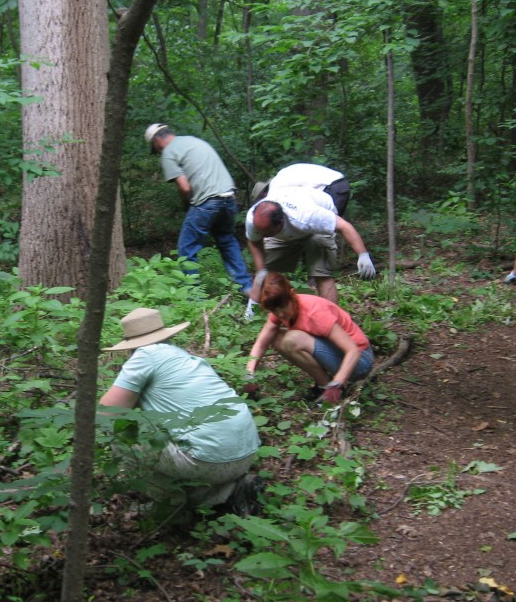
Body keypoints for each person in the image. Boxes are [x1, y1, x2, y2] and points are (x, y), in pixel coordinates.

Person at [100, 307, 262, 514]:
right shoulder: (183, 356)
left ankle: (170, 504)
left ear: (130, 344)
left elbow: (107, 413)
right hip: (246, 453)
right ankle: (227, 493)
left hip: (207, 461)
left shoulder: (144, 356)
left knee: (122, 436)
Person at [144, 123, 253, 296]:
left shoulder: (168, 153)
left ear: (157, 141)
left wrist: (186, 205)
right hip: (228, 197)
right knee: (227, 241)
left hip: (207, 202)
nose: (157, 152)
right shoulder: (193, 141)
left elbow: (185, 187)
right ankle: (247, 288)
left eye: (155, 148)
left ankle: (194, 296)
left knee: (186, 248)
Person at [245, 272, 374, 405]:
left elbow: (353, 350)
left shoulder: (315, 312)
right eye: (274, 310)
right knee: (275, 337)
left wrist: (338, 384)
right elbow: (261, 343)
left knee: (292, 339)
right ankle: (324, 386)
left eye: (283, 307)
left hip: (360, 362)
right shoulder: (281, 310)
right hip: (339, 354)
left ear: (292, 294)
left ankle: (331, 390)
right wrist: (249, 374)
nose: (280, 314)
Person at [245, 185, 376, 306]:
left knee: (321, 272)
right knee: (266, 271)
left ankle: (331, 319)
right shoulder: (254, 220)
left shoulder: (309, 215)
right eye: (261, 232)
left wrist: (363, 255)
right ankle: (255, 314)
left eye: (267, 233)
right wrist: (261, 270)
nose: (264, 236)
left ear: (280, 223)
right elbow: (254, 241)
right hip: (285, 230)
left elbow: (344, 226)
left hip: (316, 228)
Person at [252, 162, 352, 216]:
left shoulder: (274, 191)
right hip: (341, 183)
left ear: (264, 196)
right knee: (333, 227)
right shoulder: (282, 176)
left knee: (325, 230)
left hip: (330, 188)